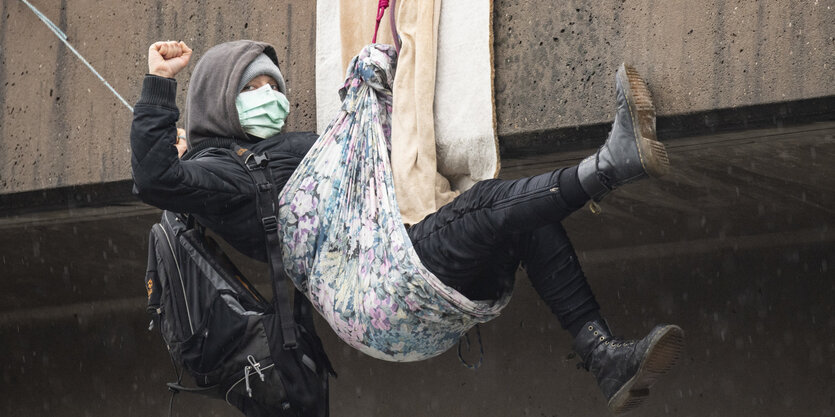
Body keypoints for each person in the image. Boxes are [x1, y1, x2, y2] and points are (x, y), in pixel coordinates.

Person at [131, 40, 683, 415]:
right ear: (220, 104)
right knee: (489, 205)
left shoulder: (250, 162)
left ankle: (605, 357)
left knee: (522, 223)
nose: (271, 99)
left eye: (273, 87)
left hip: (403, 296)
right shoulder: (223, 175)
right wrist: (159, 86)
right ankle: (613, 164)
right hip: (384, 286)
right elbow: (155, 176)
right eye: (252, 89)